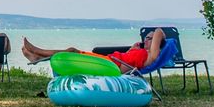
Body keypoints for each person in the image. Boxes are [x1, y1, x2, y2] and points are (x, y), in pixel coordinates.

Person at [22, 28, 166, 73]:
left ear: (155, 43)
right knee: (72, 51)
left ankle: (37, 53)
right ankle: (36, 56)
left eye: (149, 38)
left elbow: (160, 31)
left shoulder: (151, 55)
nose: (145, 39)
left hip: (110, 65)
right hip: (108, 61)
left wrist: (155, 34)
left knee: (72, 51)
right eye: (146, 37)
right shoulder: (140, 52)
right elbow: (128, 60)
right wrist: (131, 49)